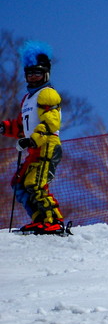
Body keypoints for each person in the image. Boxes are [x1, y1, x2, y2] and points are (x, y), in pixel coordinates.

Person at [2, 40, 65, 233]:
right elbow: (22, 126)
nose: (33, 77)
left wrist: (32, 139)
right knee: (19, 183)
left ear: (45, 73)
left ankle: (53, 221)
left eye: (37, 73)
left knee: (34, 183)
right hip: (34, 146)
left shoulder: (47, 94)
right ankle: (39, 219)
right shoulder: (28, 99)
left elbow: (50, 122)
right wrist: (5, 128)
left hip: (47, 144)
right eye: (29, 73)